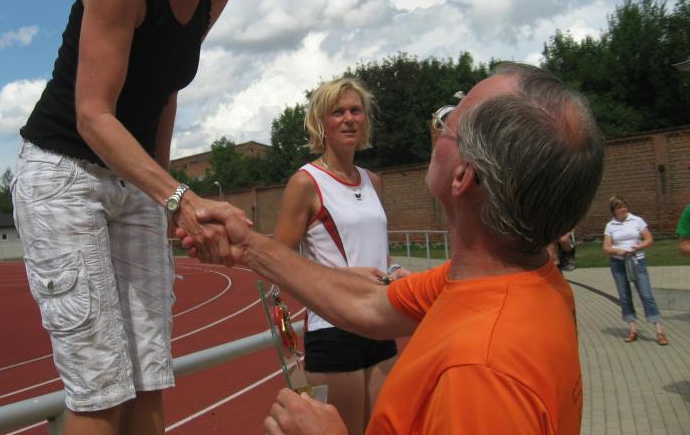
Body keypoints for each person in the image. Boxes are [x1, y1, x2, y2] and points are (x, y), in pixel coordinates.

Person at [11, 0, 291, 435]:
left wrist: (162, 199)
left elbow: (166, 91)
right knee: (99, 385)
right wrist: (178, 198)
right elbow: (92, 115)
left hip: (134, 181)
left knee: (148, 372)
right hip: (65, 172)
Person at [182, 62, 604, 434]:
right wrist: (248, 246)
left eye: (448, 122)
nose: (435, 129)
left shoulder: (480, 373)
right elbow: (368, 305)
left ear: (463, 177)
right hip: (335, 331)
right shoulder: (500, 282)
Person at [273, 77, 410, 435]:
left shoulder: (373, 181)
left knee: (384, 429)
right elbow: (277, 263)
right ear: (321, 123)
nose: (349, 119)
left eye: (355, 111)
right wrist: (341, 280)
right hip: (333, 328)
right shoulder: (305, 183)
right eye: (338, 112)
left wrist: (394, 270)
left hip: (379, 322)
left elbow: (376, 253)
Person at [603, 196, 668, 345]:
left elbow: (649, 239)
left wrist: (639, 247)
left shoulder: (637, 220)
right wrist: (618, 251)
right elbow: (606, 248)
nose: (623, 209)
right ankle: (632, 329)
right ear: (613, 211)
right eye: (619, 207)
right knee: (625, 296)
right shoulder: (610, 225)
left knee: (646, 295)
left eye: (624, 206)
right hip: (618, 263)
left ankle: (659, 330)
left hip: (637, 261)